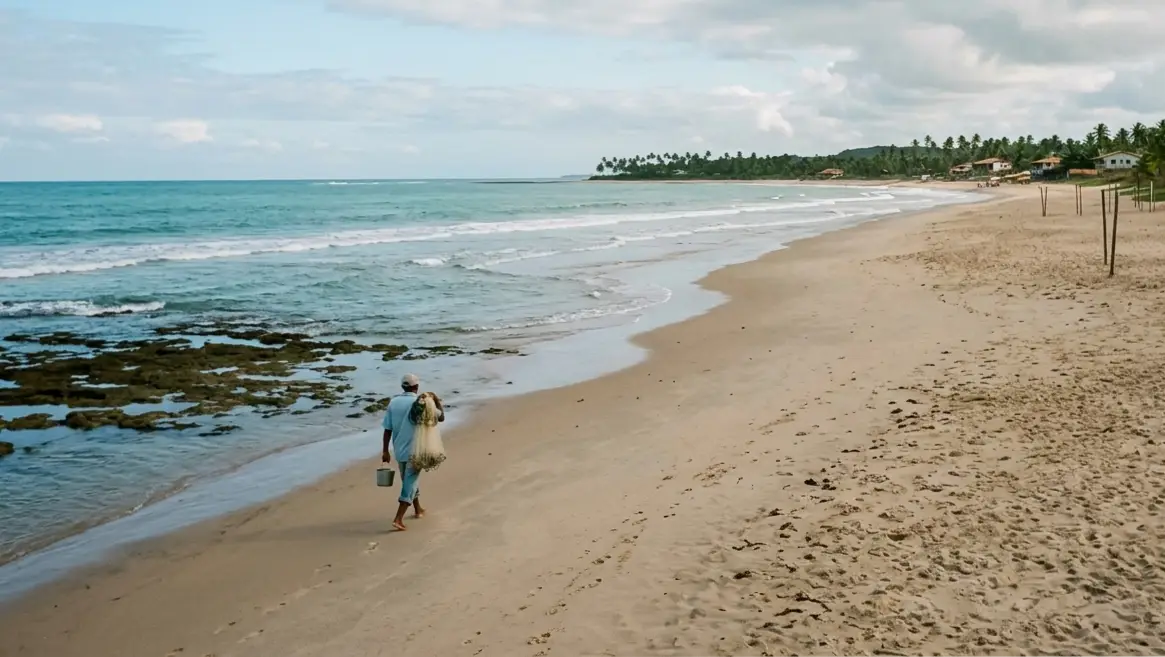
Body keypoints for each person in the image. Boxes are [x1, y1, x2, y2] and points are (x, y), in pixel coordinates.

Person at [382, 373, 444, 531]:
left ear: (402, 386)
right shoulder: (422, 403)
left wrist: (385, 451)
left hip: (399, 450)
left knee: (409, 480)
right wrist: (436, 400)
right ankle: (398, 518)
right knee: (410, 482)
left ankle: (418, 509)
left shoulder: (393, 402)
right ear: (416, 387)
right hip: (416, 450)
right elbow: (440, 417)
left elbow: (387, 429)